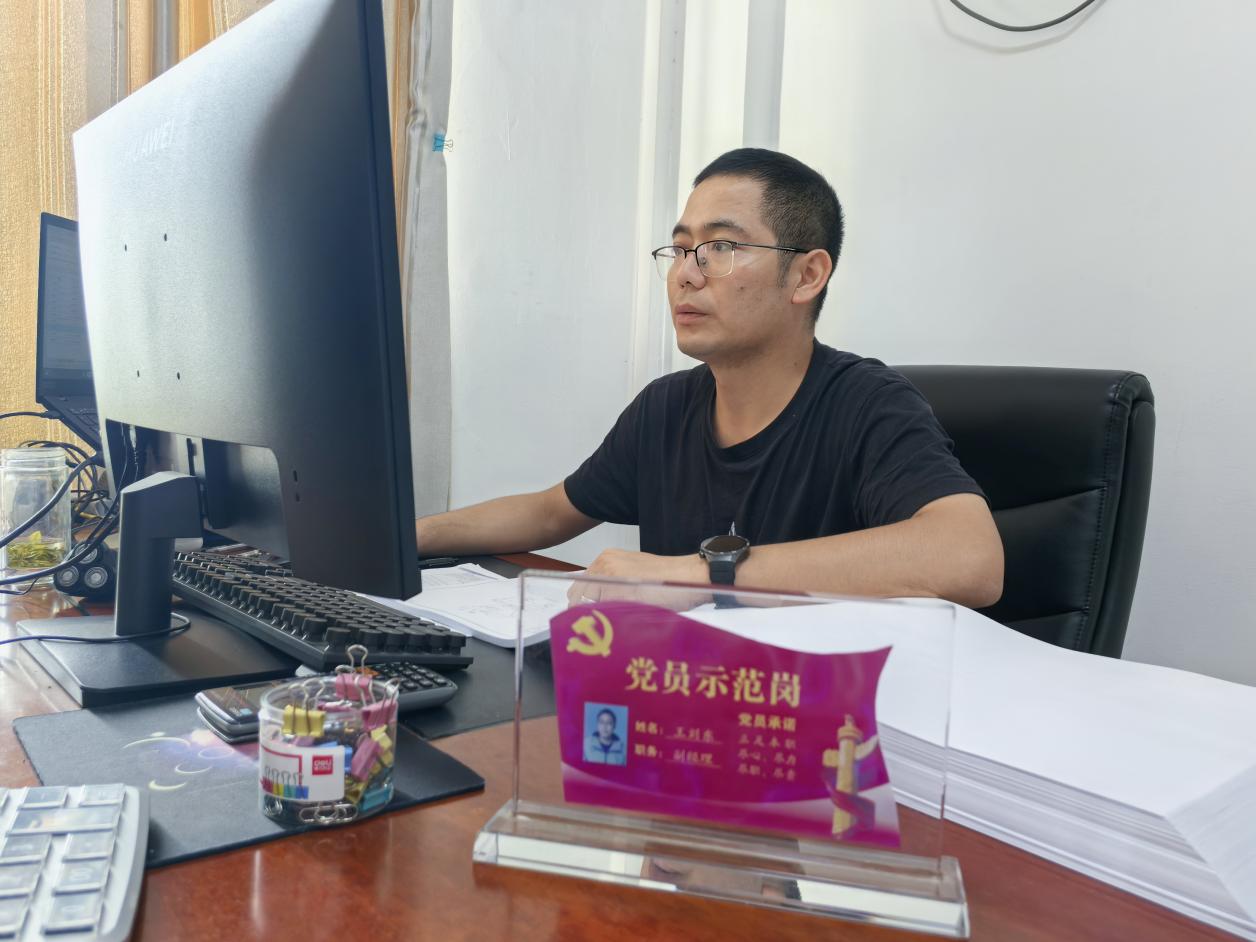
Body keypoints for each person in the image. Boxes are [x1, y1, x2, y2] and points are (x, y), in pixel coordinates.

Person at [417, 148, 1003, 608]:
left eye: (719, 247)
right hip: (688, 693)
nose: (685, 275)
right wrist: (404, 535)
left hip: (815, 706)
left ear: (807, 276)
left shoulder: (868, 404)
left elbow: (970, 558)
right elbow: (550, 512)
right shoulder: (665, 408)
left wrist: (699, 576)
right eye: (679, 249)